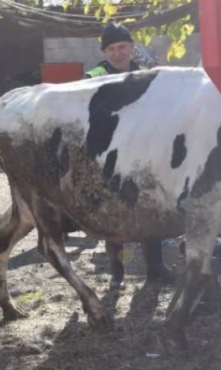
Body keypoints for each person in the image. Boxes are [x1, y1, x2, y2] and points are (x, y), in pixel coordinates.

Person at [82, 22, 173, 290]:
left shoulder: (147, 75)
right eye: (110, 48)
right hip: (109, 157)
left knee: (150, 210)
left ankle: (155, 268)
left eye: (122, 47)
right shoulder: (93, 77)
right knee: (115, 216)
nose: (117, 53)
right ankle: (117, 271)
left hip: (144, 155)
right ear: (104, 52)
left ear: (132, 47)